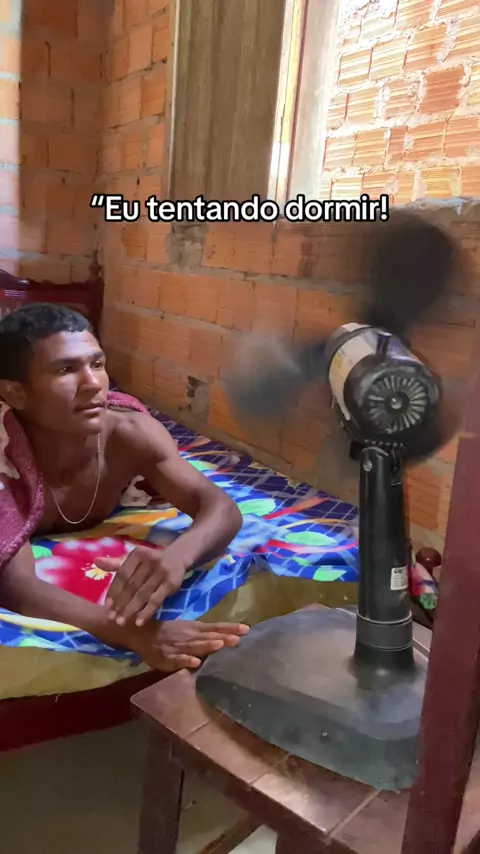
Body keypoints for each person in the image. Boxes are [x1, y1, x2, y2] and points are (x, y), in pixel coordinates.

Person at [0, 303, 249, 672]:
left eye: (97, 364)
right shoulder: (6, 460)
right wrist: (135, 634)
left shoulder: (129, 434)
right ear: (16, 394)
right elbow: (16, 585)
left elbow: (220, 507)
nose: (93, 384)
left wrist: (176, 559)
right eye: (66, 369)